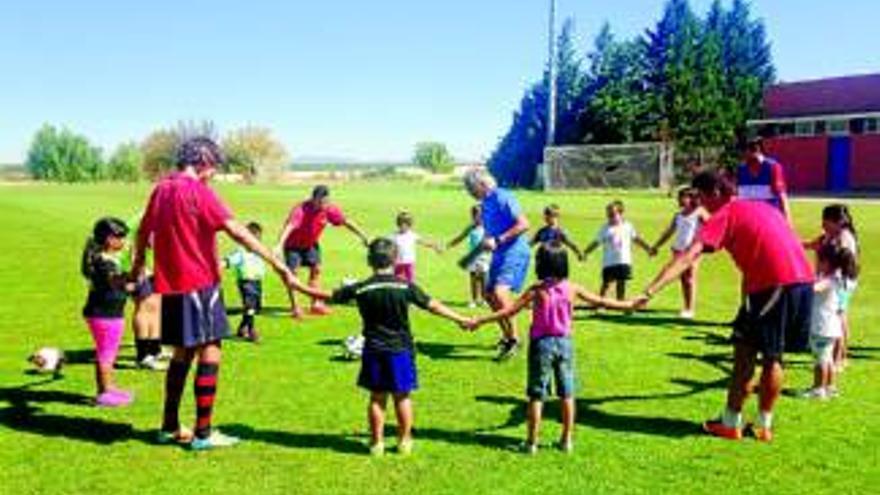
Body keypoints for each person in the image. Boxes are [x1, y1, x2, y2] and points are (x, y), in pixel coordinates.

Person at [132, 137, 317, 450]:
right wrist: (277, 264)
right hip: (200, 284)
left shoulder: (161, 189)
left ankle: (168, 426)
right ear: (203, 161)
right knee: (211, 348)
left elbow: (143, 231)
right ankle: (203, 434)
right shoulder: (199, 192)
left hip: (171, 286)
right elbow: (238, 231)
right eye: (213, 166)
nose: (213, 173)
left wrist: (138, 265)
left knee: (182, 353)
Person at [636, 170, 814, 442]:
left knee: (760, 356)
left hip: (774, 285)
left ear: (716, 192)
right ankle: (756, 424)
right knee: (759, 350)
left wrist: (649, 291)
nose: (701, 204)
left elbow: (688, 256)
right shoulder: (762, 208)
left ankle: (737, 424)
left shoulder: (725, 213)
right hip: (801, 281)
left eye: (702, 197)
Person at [467, 243, 634, 454]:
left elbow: (508, 312)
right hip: (565, 344)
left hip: (541, 345)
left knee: (536, 396)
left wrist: (480, 320)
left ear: (541, 264)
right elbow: (600, 300)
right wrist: (629, 305)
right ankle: (566, 441)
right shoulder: (572, 288)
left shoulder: (537, 290)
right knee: (567, 394)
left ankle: (531, 443)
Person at [312, 238, 471, 456]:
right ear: (395, 260)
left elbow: (328, 296)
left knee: (377, 398)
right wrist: (460, 318)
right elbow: (433, 305)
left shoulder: (361, 288)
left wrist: (295, 284)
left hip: (374, 351)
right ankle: (404, 441)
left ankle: (376, 444)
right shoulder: (405, 286)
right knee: (402, 398)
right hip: (401, 350)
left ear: (369, 261)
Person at [462, 169, 531, 360]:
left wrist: (499, 240)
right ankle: (508, 336)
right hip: (499, 253)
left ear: (482, 184)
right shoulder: (484, 204)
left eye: (471, 189)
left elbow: (524, 224)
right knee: (489, 295)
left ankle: (516, 339)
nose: (470, 193)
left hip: (514, 251)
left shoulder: (503, 197)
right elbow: (488, 234)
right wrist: (471, 256)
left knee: (500, 293)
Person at [275, 185, 370, 318]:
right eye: (321, 202)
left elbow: (346, 222)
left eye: (326, 201)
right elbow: (289, 226)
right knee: (292, 274)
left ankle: (316, 304)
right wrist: (279, 245)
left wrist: (363, 236)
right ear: (313, 199)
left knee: (316, 270)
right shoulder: (301, 209)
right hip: (293, 246)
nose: (323, 204)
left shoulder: (329, 209)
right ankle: (296, 308)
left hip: (311, 244)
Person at [81, 217, 135, 407]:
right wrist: (135, 273)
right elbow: (115, 282)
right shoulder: (104, 262)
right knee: (106, 354)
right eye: (120, 237)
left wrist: (130, 283)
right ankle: (104, 393)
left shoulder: (106, 259)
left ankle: (108, 388)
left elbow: (122, 287)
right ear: (109, 239)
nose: (123, 241)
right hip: (105, 315)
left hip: (106, 313)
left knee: (106, 353)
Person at [803, 204, 859, 371]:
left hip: (840, 284)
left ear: (836, 222)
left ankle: (839, 358)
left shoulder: (845, 238)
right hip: (834, 282)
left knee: (838, 318)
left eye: (825, 221)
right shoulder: (829, 235)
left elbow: (843, 263)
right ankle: (836, 357)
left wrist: (827, 279)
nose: (823, 225)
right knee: (837, 317)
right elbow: (811, 245)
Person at [803, 244, 857, 400]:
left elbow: (814, 288)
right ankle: (830, 387)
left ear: (826, 262)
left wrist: (802, 282)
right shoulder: (837, 278)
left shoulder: (829, 280)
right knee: (827, 358)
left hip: (822, 326)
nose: (816, 263)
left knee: (820, 359)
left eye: (818, 260)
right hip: (831, 326)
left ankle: (818, 389)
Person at [650, 188, 709, 318]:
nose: (680, 200)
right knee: (683, 279)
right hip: (678, 250)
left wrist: (702, 243)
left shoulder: (699, 212)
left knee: (690, 278)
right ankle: (686, 306)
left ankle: (690, 309)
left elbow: (711, 225)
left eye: (683, 197)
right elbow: (669, 232)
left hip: (692, 251)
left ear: (691, 198)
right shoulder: (678, 215)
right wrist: (656, 246)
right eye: (679, 197)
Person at [583, 200, 656, 301]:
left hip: (623, 260)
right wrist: (585, 252)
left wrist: (648, 248)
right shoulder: (605, 228)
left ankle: (620, 303)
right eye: (608, 215)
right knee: (607, 284)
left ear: (621, 213)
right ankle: (601, 303)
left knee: (621, 283)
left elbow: (637, 239)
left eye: (613, 214)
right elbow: (596, 243)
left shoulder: (628, 226)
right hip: (609, 262)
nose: (610, 217)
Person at [123, 214, 166, 371]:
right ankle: (143, 356)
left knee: (156, 306)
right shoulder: (151, 218)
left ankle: (155, 349)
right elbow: (148, 242)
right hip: (139, 270)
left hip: (152, 269)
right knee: (144, 307)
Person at [223, 222, 267, 343]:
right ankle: (252, 331)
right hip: (246, 282)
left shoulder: (258, 251)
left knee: (254, 308)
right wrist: (221, 264)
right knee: (250, 307)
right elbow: (229, 261)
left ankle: (242, 328)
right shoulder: (241, 253)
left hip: (257, 282)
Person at [736, 137, 792, 224]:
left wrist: (788, 221)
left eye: (744, 153)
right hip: (749, 222)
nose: (742, 157)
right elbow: (739, 198)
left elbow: (782, 196)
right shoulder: (741, 170)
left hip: (770, 222)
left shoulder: (773, 167)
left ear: (756, 151)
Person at [446, 205, 492, 308]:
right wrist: (448, 245)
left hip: (484, 256)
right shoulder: (470, 228)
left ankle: (484, 300)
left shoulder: (488, 227)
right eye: (475, 216)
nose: (478, 218)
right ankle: (474, 300)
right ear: (473, 216)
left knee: (484, 278)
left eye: (480, 216)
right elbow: (460, 238)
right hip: (472, 257)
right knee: (474, 278)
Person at [390, 211, 441, 283]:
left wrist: (435, 246)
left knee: (410, 282)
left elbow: (424, 242)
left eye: (405, 224)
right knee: (396, 281)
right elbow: (385, 244)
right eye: (401, 224)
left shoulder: (412, 235)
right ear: (398, 224)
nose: (403, 226)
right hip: (398, 263)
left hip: (409, 263)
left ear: (409, 225)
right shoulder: (394, 236)